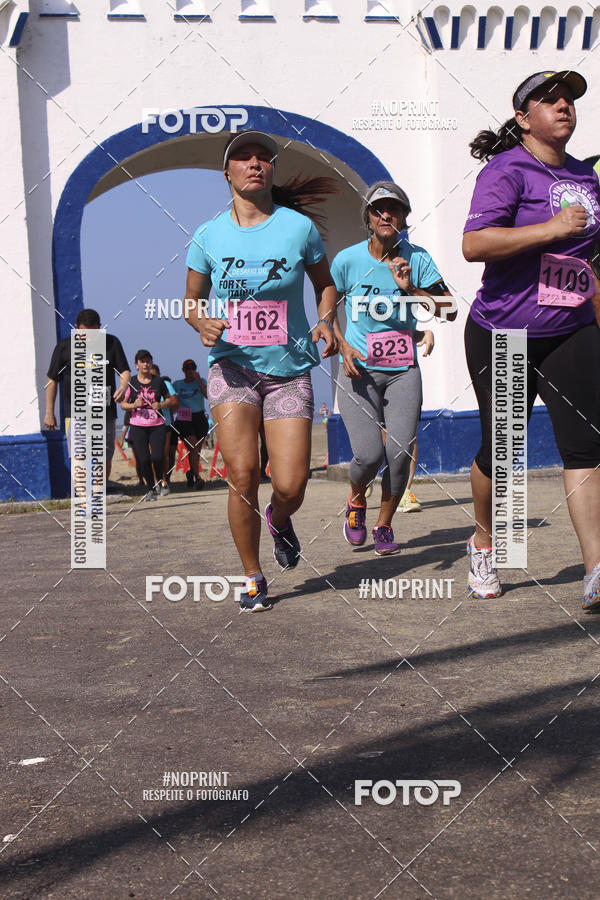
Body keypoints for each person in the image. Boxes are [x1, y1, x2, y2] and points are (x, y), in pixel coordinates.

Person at [184, 129, 338, 611]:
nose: (255, 163)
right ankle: (252, 575)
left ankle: (280, 517)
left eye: (263, 158)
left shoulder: (297, 228)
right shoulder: (208, 235)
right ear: (226, 172)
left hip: (289, 369)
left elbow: (325, 285)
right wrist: (200, 322)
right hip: (232, 368)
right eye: (243, 158)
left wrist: (327, 321)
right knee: (242, 472)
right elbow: (191, 301)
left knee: (291, 484)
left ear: (271, 170)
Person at [463, 70, 600, 606]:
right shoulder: (507, 169)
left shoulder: (587, 178)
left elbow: (589, 258)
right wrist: (551, 229)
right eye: (549, 99)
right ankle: (485, 542)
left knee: (587, 445)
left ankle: (594, 569)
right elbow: (475, 244)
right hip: (505, 333)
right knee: (503, 452)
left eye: (569, 98)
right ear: (523, 117)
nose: (564, 105)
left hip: (571, 329)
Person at [332, 182, 456, 555]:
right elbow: (326, 305)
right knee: (368, 456)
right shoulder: (347, 260)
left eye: (394, 209)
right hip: (359, 371)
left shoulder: (417, 259)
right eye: (378, 210)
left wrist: (409, 290)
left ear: (404, 217)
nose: (386, 215)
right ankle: (356, 500)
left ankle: (384, 525)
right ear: (368, 218)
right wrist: (342, 343)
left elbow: (449, 308)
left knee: (400, 453)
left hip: (403, 370)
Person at [44, 307, 130, 490]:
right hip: (76, 413)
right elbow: (52, 381)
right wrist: (49, 412)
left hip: (104, 412)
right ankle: (83, 497)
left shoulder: (112, 343)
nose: (89, 339)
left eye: (93, 334)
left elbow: (124, 371)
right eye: (84, 334)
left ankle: (98, 491)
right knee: (79, 455)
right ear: (76, 328)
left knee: (102, 455)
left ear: (100, 327)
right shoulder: (64, 347)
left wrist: (123, 387)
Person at [120, 350, 176, 501]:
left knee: (158, 457)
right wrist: (133, 404)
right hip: (137, 425)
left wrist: (162, 404)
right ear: (136, 364)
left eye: (148, 361)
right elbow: (123, 405)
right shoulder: (131, 382)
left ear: (151, 363)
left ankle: (161, 481)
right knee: (144, 459)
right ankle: (150, 488)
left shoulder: (159, 382)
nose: (145, 364)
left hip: (157, 425)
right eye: (142, 361)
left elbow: (171, 400)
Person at [172, 359, 208, 490]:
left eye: (193, 368)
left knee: (196, 451)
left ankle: (190, 473)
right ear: (183, 370)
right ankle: (198, 477)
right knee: (192, 448)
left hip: (199, 416)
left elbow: (208, 396)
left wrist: (198, 381)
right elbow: (170, 396)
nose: (190, 371)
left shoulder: (201, 381)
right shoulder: (177, 384)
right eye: (188, 368)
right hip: (184, 415)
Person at [150, 363, 179, 495]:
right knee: (153, 456)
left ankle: (164, 480)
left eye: (155, 375)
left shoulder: (165, 384)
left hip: (165, 423)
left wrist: (162, 405)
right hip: (148, 424)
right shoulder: (142, 386)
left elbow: (175, 402)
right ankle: (155, 481)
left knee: (165, 455)